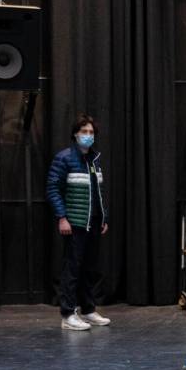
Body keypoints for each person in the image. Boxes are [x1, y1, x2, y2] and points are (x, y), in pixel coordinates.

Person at [46, 113, 111, 331]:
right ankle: (68, 314)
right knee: (72, 269)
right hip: (75, 222)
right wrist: (62, 217)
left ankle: (89, 310)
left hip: (94, 223)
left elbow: (98, 192)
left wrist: (103, 218)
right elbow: (53, 189)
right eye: (84, 131)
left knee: (89, 269)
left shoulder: (94, 159)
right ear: (75, 134)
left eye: (91, 132)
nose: (88, 135)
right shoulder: (64, 158)